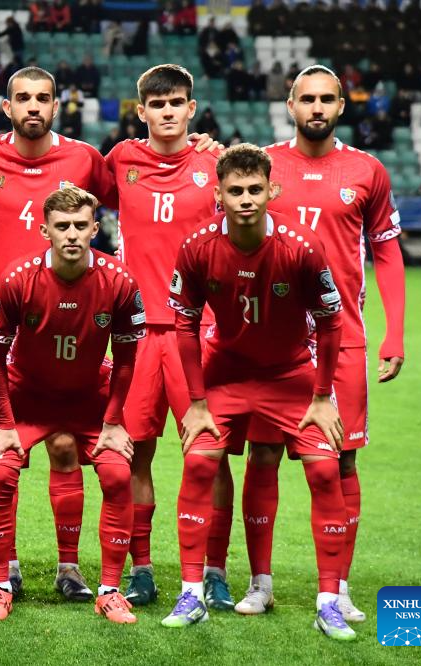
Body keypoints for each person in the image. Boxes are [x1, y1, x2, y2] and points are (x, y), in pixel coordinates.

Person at [163, 143, 354, 641]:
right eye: (235, 191)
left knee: (325, 471)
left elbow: (331, 322)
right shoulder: (197, 246)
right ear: (218, 195)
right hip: (226, 373)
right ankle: (192, 594)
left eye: (254, 189)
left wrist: (322, 396)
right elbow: (184, 325)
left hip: (290, 376)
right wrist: (197, 403)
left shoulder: (302, 246)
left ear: (273, 190)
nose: (245, 199)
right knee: (199, 462)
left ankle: (329, 603)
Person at [238, 65, 405, 624]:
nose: (316, 107)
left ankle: (339, 587)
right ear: (290, 105)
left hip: (344, 339)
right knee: (264, 454)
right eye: (306, 98)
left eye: (326, 99)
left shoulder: (367, 170)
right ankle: (260, 582)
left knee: (340, 461)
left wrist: (394, 332)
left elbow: (387, 250)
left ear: (340, 106)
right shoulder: (263, 166)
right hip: (271, 342)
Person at [0, 66, 119, 601]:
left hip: (68, 325)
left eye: (43, 98)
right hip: (2, 332)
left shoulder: (84, 159)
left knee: (66, 447)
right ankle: (5, 568)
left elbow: (127, 196)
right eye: (23, 98)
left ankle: (69, 568)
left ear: (57, 105)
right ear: (7, 107)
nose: (34, 106)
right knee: (0, 455)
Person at [0, 185, 146, 623]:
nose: (71, 234)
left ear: (95, 228)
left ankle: (109, 591)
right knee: (0, 472)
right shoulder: (18, 279)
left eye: (80, 225)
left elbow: (126, 360)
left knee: (117, 473)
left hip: (89, 397)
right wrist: (4, 422)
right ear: (45, 230)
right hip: (27, 397)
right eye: (62, 226)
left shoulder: (119, 281)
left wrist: (113, 421)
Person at [104, 64, 236, 610]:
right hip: (136, 332)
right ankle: (141, 569)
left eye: (176, 102)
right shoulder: (120, 160)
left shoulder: (214, 163)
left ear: (191, 108)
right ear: (141, 111)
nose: (166, 112)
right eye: (156, 104)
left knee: (211, 454)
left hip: (199, 331)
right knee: (135, 453)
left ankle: (215, 570)